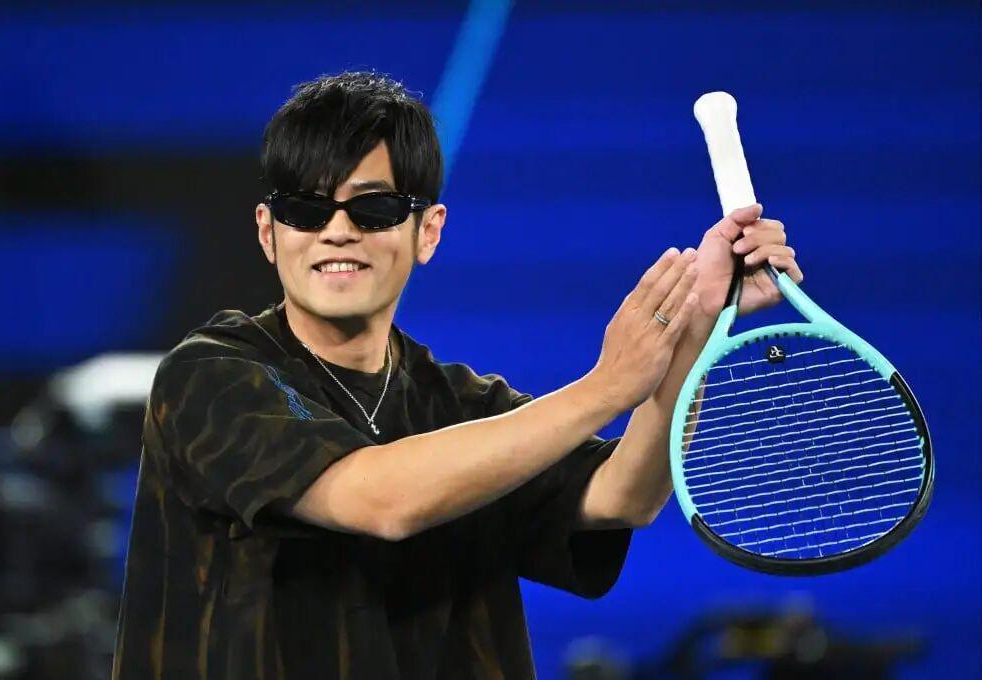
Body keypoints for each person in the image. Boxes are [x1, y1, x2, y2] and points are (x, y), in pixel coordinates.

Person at [111, 71, 801, 679]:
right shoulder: (209, 377)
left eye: (373, 208)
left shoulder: (461, 405)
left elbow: (624, 495)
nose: (337, 231)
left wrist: (699, 327)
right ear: (269, 231)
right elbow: (380, 500)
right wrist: (605, 388)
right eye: (307, 209)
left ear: (429, 231)